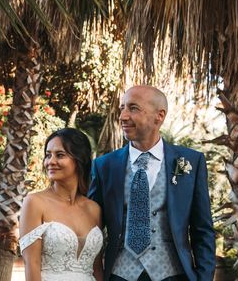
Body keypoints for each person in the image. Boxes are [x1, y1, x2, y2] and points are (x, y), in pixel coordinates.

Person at [89, 86, 215, 281]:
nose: (122, 116)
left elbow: (202, 229)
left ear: (160, 116)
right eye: (122, 108)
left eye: (133, 108)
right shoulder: (104, 166)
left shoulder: (191, 161)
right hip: (119, 274)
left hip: (174, 274)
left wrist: (204, 277)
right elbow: (91, 227)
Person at [19, 128, 104, 281]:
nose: (50, 162)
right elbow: (31, 263)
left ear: (79, 160)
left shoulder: (94, 209)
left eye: (60, 155)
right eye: (48, 155)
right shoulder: (35, 203)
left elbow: (97, 268)